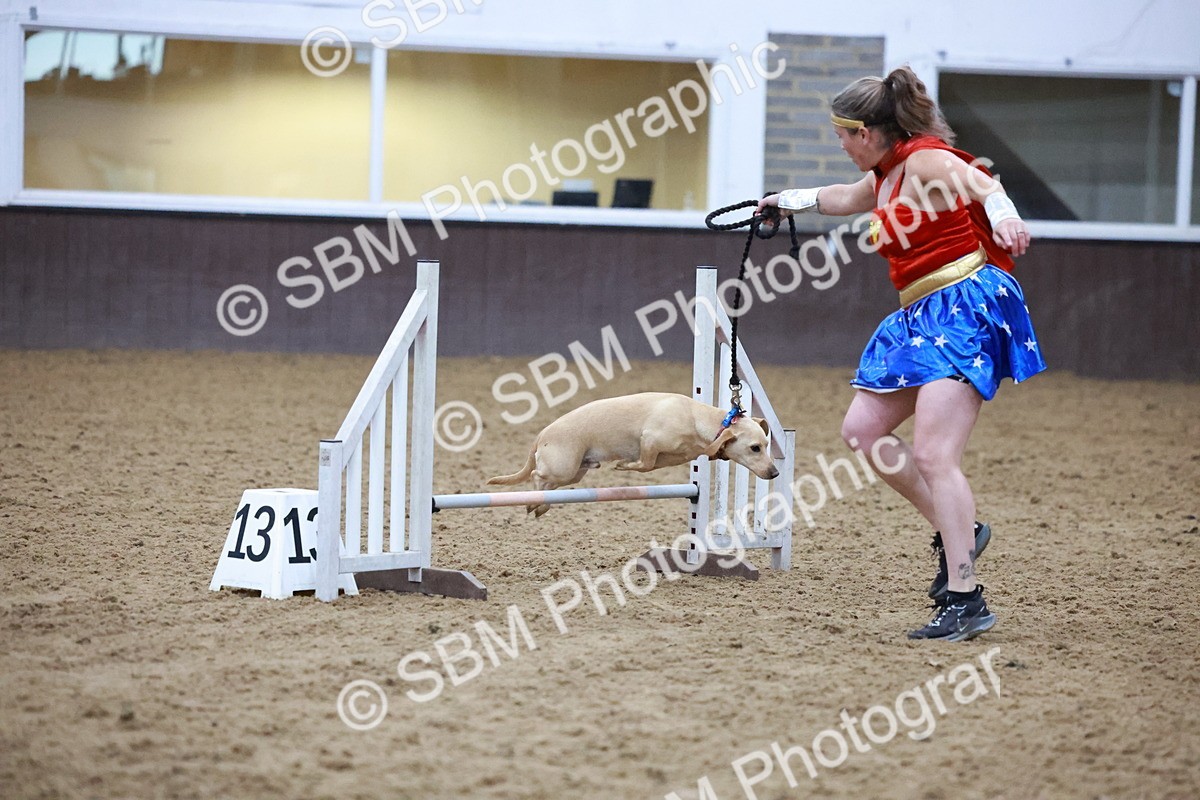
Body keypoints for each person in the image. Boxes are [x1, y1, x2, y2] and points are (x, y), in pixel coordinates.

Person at [758, 65, 1046, 641]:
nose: (839, 144)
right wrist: (783, 201)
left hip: (965, 307)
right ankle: (959, 527)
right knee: (863, 431)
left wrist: (1007, 220)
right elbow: (841, 198)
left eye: (842, 134)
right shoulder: (885, 177)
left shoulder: (925, 160)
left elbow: (986, 185)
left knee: (936, 457)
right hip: (920, 315)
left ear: (866, 131)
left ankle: (966, 599)